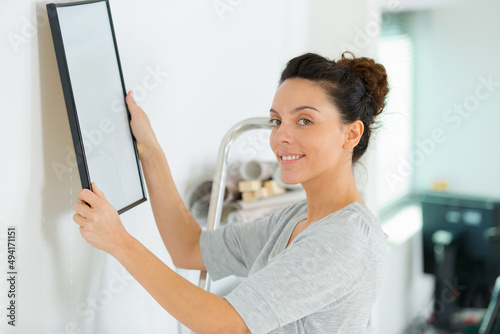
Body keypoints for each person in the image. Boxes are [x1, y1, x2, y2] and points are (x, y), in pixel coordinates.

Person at [73, 51, 389, 334]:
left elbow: (228, 325)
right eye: (276, 121)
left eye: (304, 120)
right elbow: (189, 248)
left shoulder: (344, 238)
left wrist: (120, 243)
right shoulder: (297, 220)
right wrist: (150, 151)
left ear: (351, 133)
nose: (281, 137)